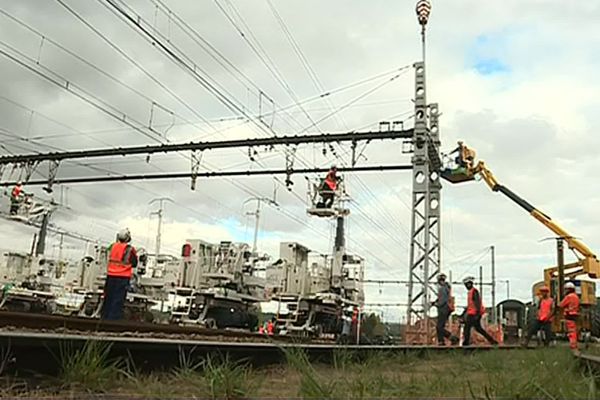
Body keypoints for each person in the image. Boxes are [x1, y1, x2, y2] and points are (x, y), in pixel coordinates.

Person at [101, 228, 138, 320]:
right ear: (128, 238)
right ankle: (113, 319)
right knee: (118, 299)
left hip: (110, 275)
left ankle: (104, 317)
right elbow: (134, 263)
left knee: (108, 297)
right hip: (123, 277)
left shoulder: (113, 246)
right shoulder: (129, 249)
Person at [462, 276, 498, 346]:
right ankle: (492, 341)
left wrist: (477, 314)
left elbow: (477, 303)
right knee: (479, 329)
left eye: (467, 284)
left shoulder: (474, 291)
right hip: (472, 313)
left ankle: (466, 343)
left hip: (474, 313)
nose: (466, 286)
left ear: (470, 284)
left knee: (467, 328)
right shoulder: (470, 292)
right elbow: (470, 305)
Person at [433, 273, 459, 346]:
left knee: (439, 327)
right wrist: (435, 301)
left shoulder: (442, 289)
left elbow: (443, 300)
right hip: (447, 309)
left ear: (439, 281)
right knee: (440, 327)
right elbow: (442, 298)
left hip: (443, 309)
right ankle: (441, 341)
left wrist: (436, 304)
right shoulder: (447, 287)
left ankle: (452, 338)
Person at [560, 281, 580, 352]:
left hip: (569, 315)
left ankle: (573, 346)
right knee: (575, 330)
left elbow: (561, 305)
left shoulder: (568, 297)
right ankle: (575, 344)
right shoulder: (576, 296)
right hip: (575, 315)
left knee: (571, 332)